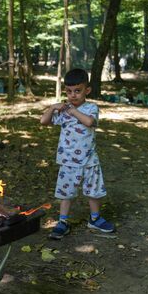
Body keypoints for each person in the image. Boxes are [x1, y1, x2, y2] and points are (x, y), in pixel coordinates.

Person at [40, 68, 115, 239]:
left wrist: (72, 111)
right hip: (68, 161)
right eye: (69, 91)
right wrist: (53, 107)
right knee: (66, 193)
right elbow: (44, 121)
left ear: (87, 90)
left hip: (89, 160)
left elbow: (89, 122)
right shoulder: (62, 111)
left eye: (77, 91)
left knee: (94, 191)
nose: (73, 95)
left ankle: (94, 218)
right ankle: (63, 221)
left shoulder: (91, 108)